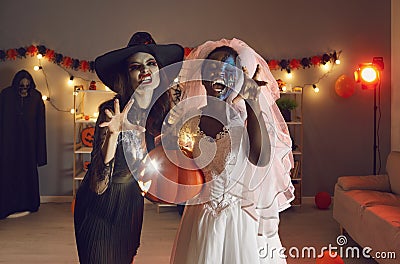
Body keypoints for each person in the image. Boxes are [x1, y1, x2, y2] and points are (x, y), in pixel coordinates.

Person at [169, 39, 295, 263]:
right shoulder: (191, 119)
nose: (220, 76)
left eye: (228, 70)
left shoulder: (244, 115)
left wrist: (253, 100)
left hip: (240, 214)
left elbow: (261, 158)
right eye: (213, 69)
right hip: (200, 213)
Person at [73, 32, 184, 264]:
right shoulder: (110, 112)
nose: (144, 70)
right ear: (128, 75)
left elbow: (164, 171)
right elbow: (98, 185)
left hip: (131, 206)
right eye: (136, 66)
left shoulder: (161, 113)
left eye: (151, 63)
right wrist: (113, 135)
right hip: (99, 208)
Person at [0, 69, 47, 219]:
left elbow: (40, 124)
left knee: (27, 172)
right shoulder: (6, 96)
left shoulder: (36, 97)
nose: (24, 89)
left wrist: (40, 153)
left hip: (29, 143)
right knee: (8, 173)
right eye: (21, 86)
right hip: (9, 142)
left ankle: (29, 203)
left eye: (27, 86)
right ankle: (9, 205)